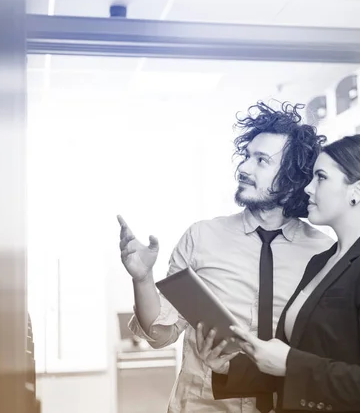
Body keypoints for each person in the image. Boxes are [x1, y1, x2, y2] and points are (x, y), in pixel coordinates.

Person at [118, 101, 334, 413]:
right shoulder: (201, 237)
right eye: (247, 157)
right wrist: (142, 279)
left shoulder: (323, 252)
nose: (244, 168)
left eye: (262, 161)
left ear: (293, 179)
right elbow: (160, 335)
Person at [197, 134, 360, 413]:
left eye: (321, 177)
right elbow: (300, 365)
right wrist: (228, 368)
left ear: (356, 191)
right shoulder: (322, 262)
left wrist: (291, 363)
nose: (308, 188)